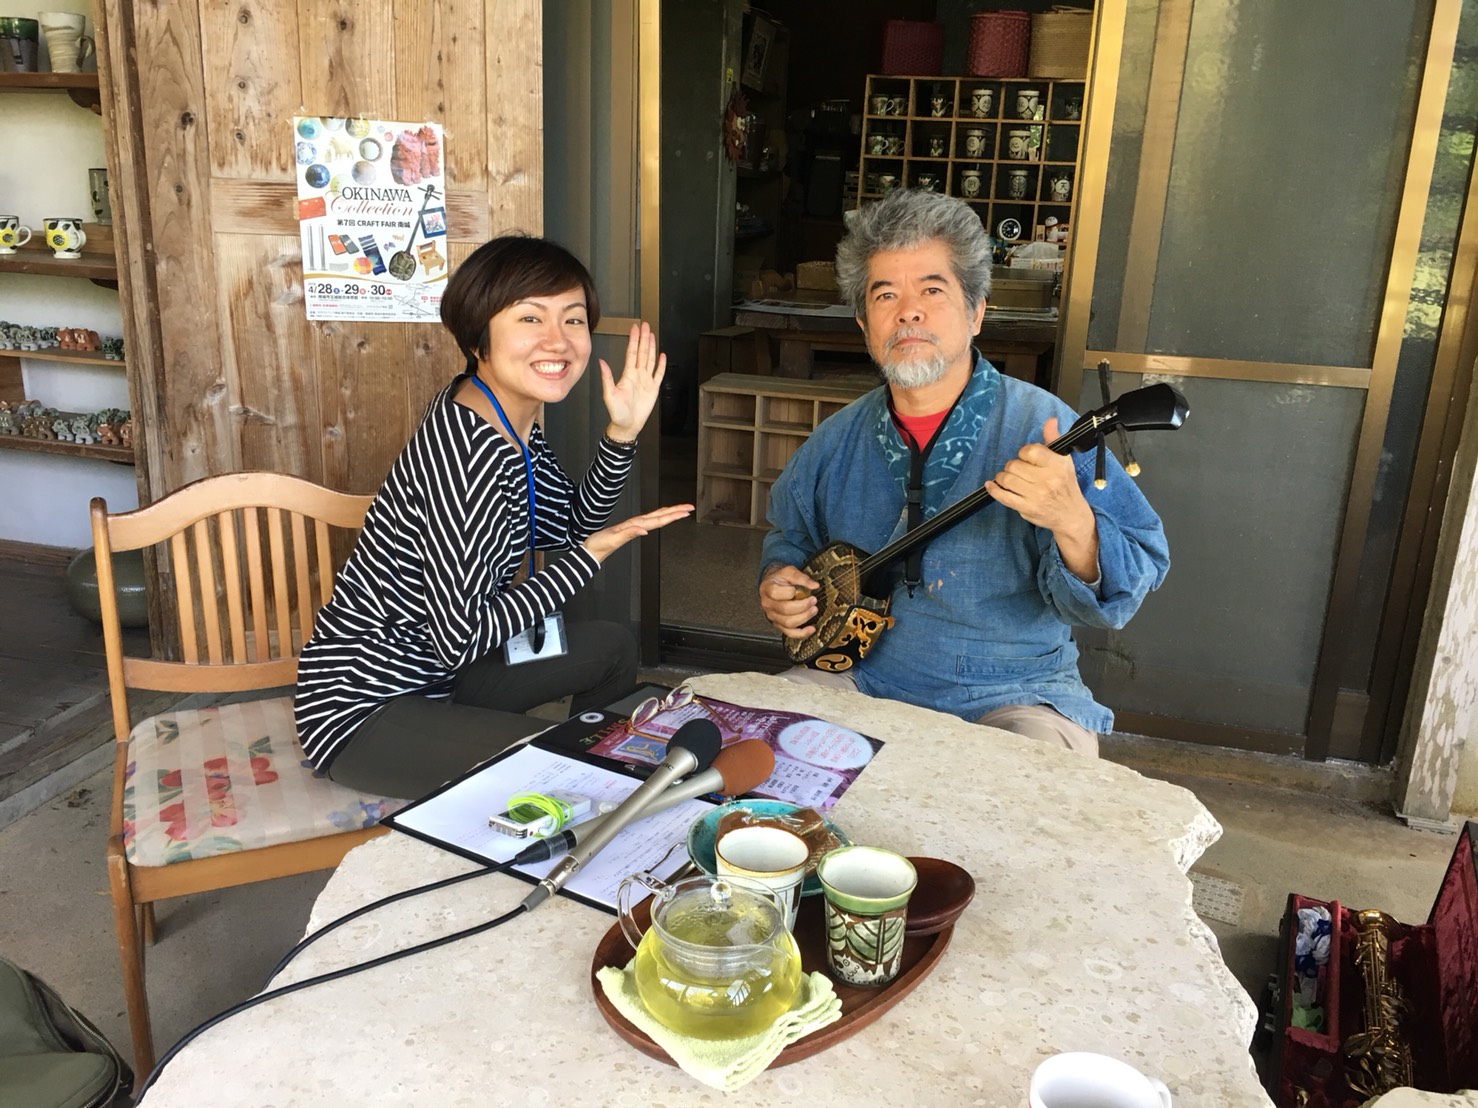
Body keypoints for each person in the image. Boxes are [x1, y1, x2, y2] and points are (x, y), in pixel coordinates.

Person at [756, 189, 1169, 757]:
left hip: (1014, 692)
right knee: (757, 742)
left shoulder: (1046, 428)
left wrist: (1074, 523)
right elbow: (791, 537)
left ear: (976, 312)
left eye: (932, 290)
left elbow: (1132, 577)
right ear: (864, 323)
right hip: (859, 676)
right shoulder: (836, 439)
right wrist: (780, 583)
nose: (909, 311)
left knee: (1033, 781)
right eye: (885, 294)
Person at [295, 235, 692, 798]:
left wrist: (621, 434)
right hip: (366, 710)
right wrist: (588, 559)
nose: (558, 340)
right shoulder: (466, 455)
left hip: (442, 676)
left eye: (573, 319)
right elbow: (460, 638)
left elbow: (571, 524)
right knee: (564, 772)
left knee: (611, 648)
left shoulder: (504, 418)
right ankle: (580, 781)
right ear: (479, 335)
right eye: (530, 317)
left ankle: (589, 763)